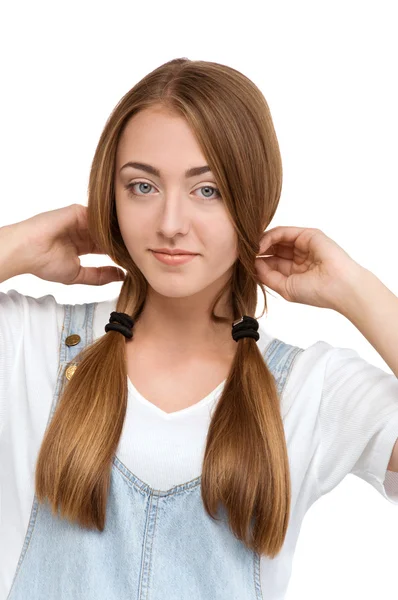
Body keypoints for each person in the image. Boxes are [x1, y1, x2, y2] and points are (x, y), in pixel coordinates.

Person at [1, 57, 398, 600]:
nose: (169, 223)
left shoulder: (312, 389)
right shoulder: (33, 344)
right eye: (141, 186)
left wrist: (358, 291)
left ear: (251, 198)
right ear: (110, 198)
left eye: (206, 190)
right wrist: (16, 246)